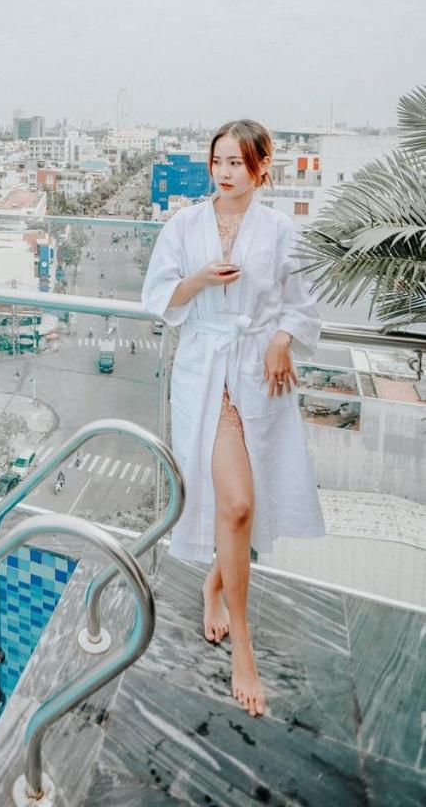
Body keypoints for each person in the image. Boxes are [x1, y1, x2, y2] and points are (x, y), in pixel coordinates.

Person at [141, 119, 323, 719]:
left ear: (260, 168)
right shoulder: (184, 225)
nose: (224, 172)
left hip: (258, 372)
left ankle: (216, 584)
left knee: (252, 498)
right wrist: (197, 280)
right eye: (217, 161)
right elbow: (158, 297)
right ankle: (243, 647)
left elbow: (302, 304)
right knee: (238, 504)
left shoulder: (281, 229)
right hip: (204, 372)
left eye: (237, 163)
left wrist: (282, 340)